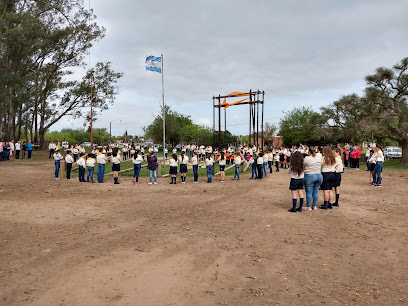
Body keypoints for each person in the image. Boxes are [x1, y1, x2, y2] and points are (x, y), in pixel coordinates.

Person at [303, 146, 323, 211]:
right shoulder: (318, 158)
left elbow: (303, 165)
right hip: (319, 175)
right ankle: (314, 206)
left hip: (309, 175)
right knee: (315, 192)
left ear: (309, 152)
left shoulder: (307, 158)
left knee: (309, 192)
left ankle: (308, 206)